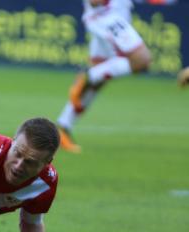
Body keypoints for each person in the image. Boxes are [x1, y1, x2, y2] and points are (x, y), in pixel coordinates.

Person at [56, 0, 151, 153]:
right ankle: (89, 75)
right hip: (106, 16)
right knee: (142, 60)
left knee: (98, 81)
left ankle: (63, 127)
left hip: (116, 14)